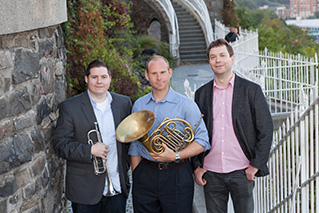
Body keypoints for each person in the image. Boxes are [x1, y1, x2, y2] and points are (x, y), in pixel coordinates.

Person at [192, 39, 273, 213]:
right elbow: (194, 132)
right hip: (211, 172)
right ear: (209, 62)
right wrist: (197, 166)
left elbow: (265, 129)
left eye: (222, 55)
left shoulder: (251, 90)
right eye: (213, 57)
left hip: (242, 170)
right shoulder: (201, 94)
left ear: (232, 59)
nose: (218, 60)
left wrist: (256, 164)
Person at [128, 55, 211, 213]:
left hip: (177, 173)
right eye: (154, 73)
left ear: (170, 72)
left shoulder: (187, 105)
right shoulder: (139, 104)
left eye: (163, 72)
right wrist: (137, 174)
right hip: (146, 173)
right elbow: (135, 143)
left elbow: (203, 141)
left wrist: (176, 156)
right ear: (147, 76)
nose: (159, 78)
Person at [52, 59, 132, 213]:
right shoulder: (70, 107)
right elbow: (60, 145)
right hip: (84, 191)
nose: (99, 81)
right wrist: (89, 150)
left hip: (117, 188)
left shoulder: (123, 103)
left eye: (103, 77)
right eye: (94, 77)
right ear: (86, 79)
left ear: (110, 79)